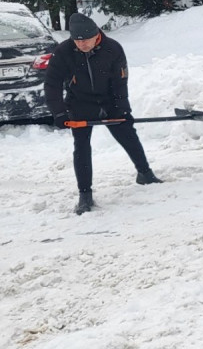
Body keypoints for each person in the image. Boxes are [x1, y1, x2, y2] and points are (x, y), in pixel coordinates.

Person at [44, 13, 162, 215]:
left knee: (127, 134)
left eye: (85, 40)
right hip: (79, 103)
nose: (81, 44)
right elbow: (52, 84)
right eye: (77, 40)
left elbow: (120, 82)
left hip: (109, 101)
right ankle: (85, 194)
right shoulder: (63, 52)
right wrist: (59, 113)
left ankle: (145, 173)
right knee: (81, 146)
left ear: (96, 34)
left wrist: (122, 108)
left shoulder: (112, 49)